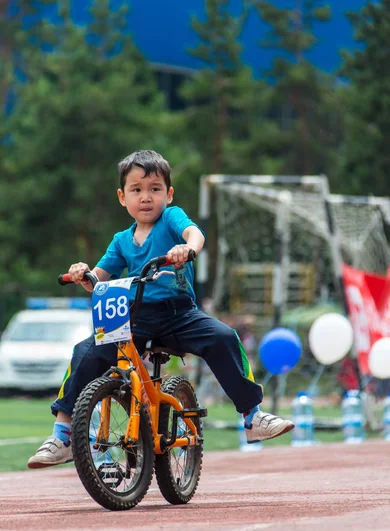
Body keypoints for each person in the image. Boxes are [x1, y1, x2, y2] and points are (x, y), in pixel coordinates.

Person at [28, 150, 294, 468]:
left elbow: (195, 234)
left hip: (179, 314)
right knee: (85, 351)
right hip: (135, 317)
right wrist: (81, 274)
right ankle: (63, 434)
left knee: (224, 336)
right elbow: (96, 279)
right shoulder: (121, 241)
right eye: (136, 190)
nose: (146, 197)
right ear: (122, 197)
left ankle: (252, 416)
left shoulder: (170, 219)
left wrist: (188, 248)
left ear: (168, 194)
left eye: (155, 189)